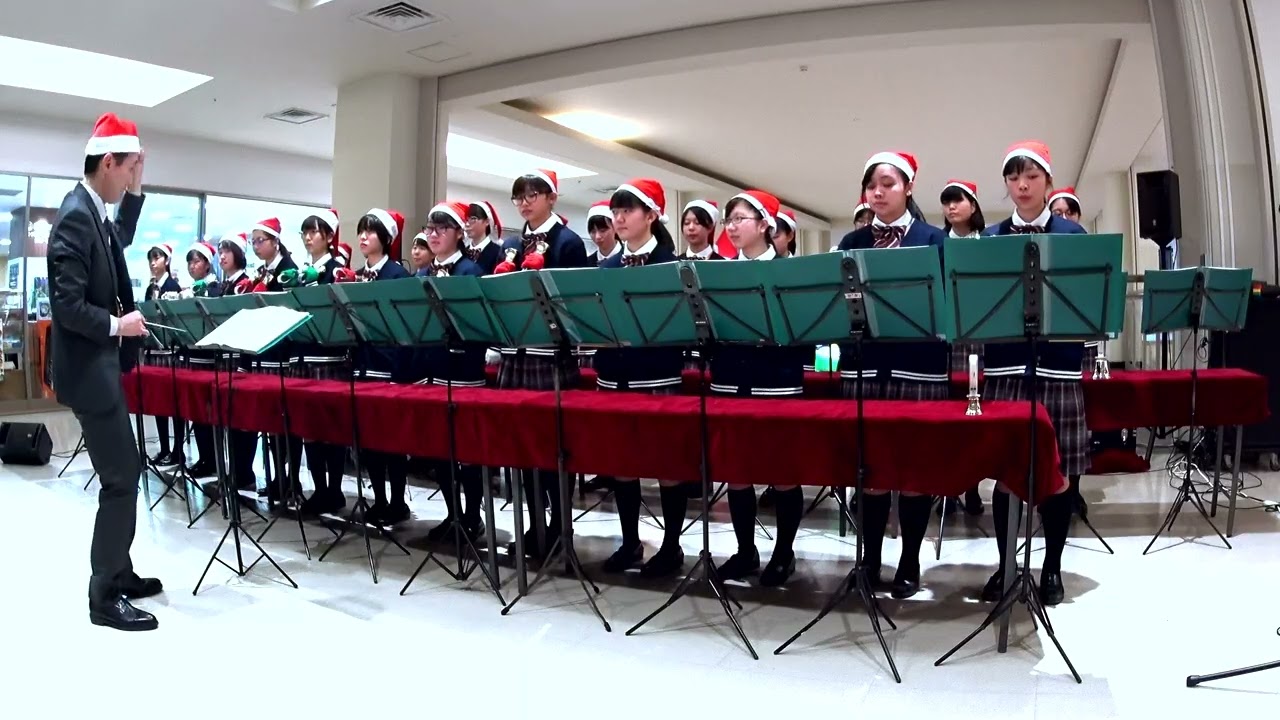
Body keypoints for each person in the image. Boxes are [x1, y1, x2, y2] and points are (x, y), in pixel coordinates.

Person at [47, 112, 159, 631]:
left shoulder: (93, 210)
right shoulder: (75, 215)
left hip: (100, 367)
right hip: (90, 367)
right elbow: (67, 307)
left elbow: (121, 241)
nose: (129, 177)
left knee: (126, 471)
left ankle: (121, 567)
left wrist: (136, 188)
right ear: (106, 161)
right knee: (121, 477)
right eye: (128, 169)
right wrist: (120, 325)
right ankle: (103, 593)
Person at [837, 150, 947, 599]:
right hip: (864, 368)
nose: (878, 192)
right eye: (872, 185)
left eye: (887, 183)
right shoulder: (851, 243)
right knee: (869, 470)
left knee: (914, 470)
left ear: (909, 187)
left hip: (918, 369)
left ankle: (910, 560)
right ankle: (868, 558)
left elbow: (947, 309)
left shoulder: (934, 240)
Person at [979, 140, 1085, 607]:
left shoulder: (1072, 236)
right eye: (1013, 177)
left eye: (1031, 176)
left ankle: (1052, 567)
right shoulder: (991, 238)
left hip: (1058, 367)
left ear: (1046, 180)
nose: (1021, 185)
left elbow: (1086, 304)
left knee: (1055, 474)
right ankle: (1005, 566)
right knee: (1006, 473)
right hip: (1005, 367)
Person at [713, 190, 808, 587]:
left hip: (777, 382)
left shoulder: (790, 272)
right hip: (729, 380)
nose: (732, 226)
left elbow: (806, 335)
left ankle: (784, 553)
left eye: (740, 219)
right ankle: (745, 551)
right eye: (729, 220)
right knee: (737, 471)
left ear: (765, 224)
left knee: (783, 471)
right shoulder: (717, 272)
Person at [594, 179, 687, 577]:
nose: (619, 218)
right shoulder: (605, 268)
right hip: (614, 376)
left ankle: (671, 545)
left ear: (651, 215)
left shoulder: (673, 265)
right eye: (616, 211)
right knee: (621, 464)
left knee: (667, 464)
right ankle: (630, 542)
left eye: (628, 210)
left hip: (658, 375)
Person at [497, 169, 591, 559]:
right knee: (521, 448)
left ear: (552, 198)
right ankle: (536, 524)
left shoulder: (568, 243)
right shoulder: (513, 244)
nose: (525, 201)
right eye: (520, 196)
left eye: (534, 194)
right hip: (517, 354)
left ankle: (560, 526)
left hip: (550, 355)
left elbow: (576, 302)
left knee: (553, 448)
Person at [415, 201, 489, 541]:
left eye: (441, 229)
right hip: (434, 371)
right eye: (430, 229)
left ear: (459, 233)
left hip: (464, 370)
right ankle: (452, 514)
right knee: (440, 451)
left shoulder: (470, 273)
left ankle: (473, 517)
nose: (433, 235)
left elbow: (478, 325)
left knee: (467, 452)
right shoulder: (424, 274)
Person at [356, 208, 413, 525]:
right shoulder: (356, 275)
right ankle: (378, 499)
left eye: (371, 231)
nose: (364, 237)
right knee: (369, 441)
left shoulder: (397, 276)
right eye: (362, 231)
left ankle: (397, 502)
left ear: (387, 239)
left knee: (391, 441)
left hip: (389, 367)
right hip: (362, 366)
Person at [294, 210, 349, 515]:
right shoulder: (302, 272)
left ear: (329, 237)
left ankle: (336, 490)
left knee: (332, 427)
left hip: (328, 356)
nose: (308, 237)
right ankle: (319, 489)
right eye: (305, 232)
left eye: (314, 232)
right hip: (304, 354)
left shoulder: (337, 269)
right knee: (310, 428)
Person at [940, 179, 987, 517]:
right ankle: (948, 484)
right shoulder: (938, 245)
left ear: (973, 205)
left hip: (982, 337)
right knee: (949, 410)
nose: (951, 207)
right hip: (948, 338)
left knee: (979, 411)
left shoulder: (988, 243)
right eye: (946, 202)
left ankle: (973, 483)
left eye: (958, 200)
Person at [182, 241, 222, 479]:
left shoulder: (214, 287)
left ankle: (214, 459)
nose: (192, 266)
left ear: (207, 264)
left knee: (210, 413)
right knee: (197, 412)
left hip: (210, 358)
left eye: (196, 261)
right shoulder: (191, 288)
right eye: (189, 261)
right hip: (194, 356)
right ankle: (204, 457)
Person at [142, 243, 184, 468]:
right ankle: (164, 448)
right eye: (150, 258)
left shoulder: (173, 286)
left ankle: (178, 450)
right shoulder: (151, 289)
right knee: (159, 402)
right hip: (154, 349)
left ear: (166, 260)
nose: (153, 262)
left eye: (157, 258)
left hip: (170, 352)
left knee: (173, 402)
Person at [464, 201, 504, 274]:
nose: (467, 224)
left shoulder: (498, 253)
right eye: (466, 219)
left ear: (487, 221)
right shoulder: (462, 252)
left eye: (473, 219)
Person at [586, 200, 620, 265]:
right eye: (593, 232)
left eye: (603, 231)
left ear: (615, 228)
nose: (597, 236)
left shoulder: (629, 259)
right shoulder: (587, 263)